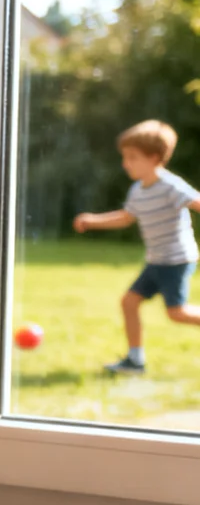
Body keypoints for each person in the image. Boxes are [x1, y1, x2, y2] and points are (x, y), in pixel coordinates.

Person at [73, 119, 200, 375]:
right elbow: (126, 217)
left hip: (176, 260)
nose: (125, 163)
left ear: (154, 157)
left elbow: (196, 201)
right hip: (156, 260)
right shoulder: (138, 191)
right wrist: (92, 220)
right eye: (124, 157)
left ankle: (135, 361)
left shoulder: (170, 186)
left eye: (132, 157)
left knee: (176, 313)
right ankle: (135, 361)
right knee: (129, 303)